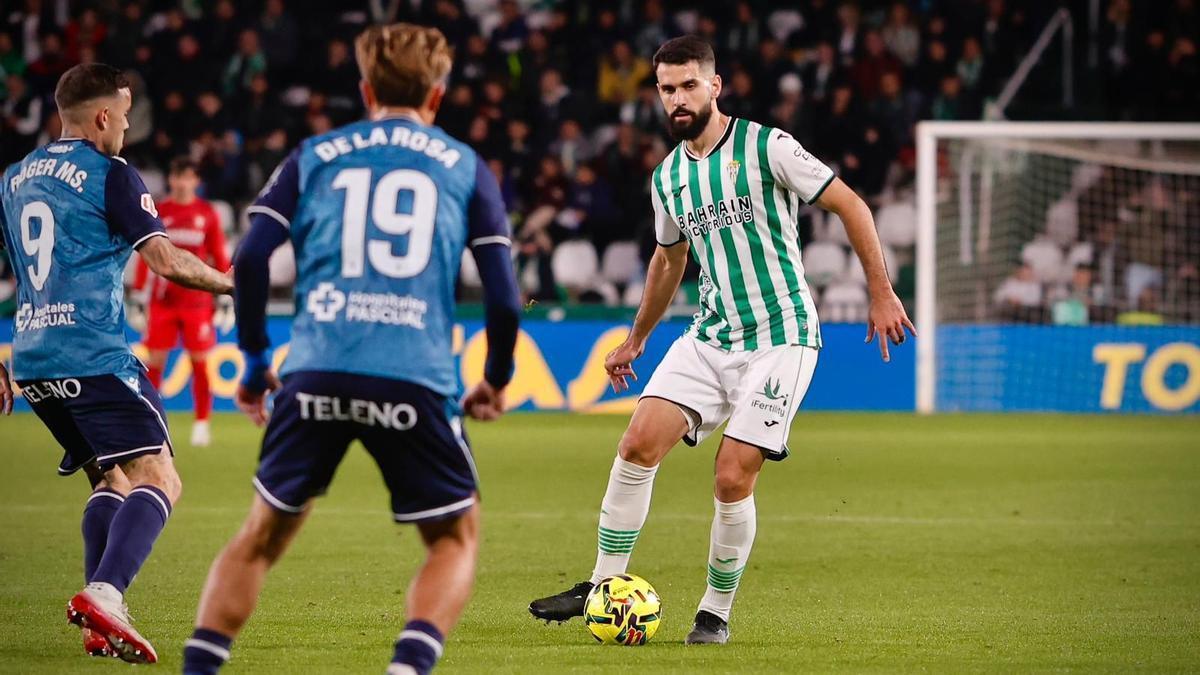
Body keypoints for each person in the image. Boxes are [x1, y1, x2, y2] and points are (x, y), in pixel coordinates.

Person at [528, 36, 914, 645]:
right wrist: (636, 339)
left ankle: (715, 611)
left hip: (781, 335)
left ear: (714, 85)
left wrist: (881, 290)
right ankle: (603, 585)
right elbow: (667, 260)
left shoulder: (768, 146)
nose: (677, 99)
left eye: (688, 85)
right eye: (666, 89)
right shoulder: (669, 178)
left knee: (732, 476)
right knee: (636, 444)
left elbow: (852, 205)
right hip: (710, 335)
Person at [181, 23, 521, 675]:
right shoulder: (463, 166)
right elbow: (504, 298)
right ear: (438, 96)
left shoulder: (315, 154)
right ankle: (405, 667)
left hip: (312, 371)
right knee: (455, 537)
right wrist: (496, 377)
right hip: (413, 377)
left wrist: (255, 361)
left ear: (365, 90)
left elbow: (250, 259)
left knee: (259, 538)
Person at [0, 63, 233, 663]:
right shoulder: (111, 174)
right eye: (125, 116)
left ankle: (98, 621)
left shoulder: (14, 177)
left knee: (112, 479)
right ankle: (106, 592)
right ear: (103, 116)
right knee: (161, 479)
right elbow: (165, 261)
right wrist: (234, 286)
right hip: (93, 354)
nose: (127, 129)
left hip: (32, 362)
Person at [133, 156, 230, 447]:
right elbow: (146, 254)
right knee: (156, 361)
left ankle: (202, 423)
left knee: (200, 362)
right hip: (163, 300)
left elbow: (219, 255)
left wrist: (224, 295)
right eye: (178, 176)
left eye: (188, 177)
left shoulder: (207, 213)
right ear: (171, 180)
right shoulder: (159, 211)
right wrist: (139, 294)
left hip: (197, 300)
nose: (183, 182)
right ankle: (148, 423)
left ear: (196, 181)